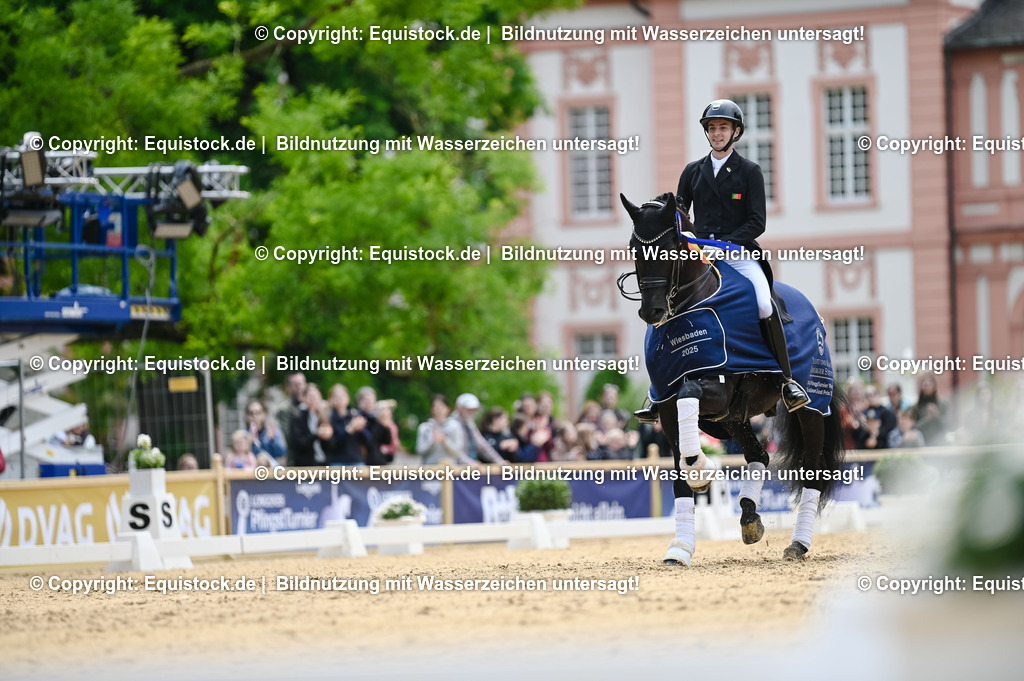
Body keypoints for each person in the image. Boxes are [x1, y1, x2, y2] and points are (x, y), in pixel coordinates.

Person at [635, 98, 809, 423]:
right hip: (700, 255)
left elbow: (758, 222)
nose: (717, 134)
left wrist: (726, 244)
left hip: (738, 254)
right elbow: (679, 213)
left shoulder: (749, 172)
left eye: (723, 128)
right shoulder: (692, 172)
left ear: (735, 132)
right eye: (712, 128)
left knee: (763, 301)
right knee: (668, 305)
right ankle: (657, 391)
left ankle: (786, 381)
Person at [415, 394, 465, 465]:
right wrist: (433, 441)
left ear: (448, 408)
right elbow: (419, 451)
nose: (438, 410)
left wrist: (445, 441)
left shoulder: (455, 426)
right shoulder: (424, 427)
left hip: (449, 470)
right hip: (428, 470)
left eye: (441, 406)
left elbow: (458, 452)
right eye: (435, 406)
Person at [245, 399, 286, 464]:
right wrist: (251, 443)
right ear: (247, 416)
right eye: (251, 413)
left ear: (264, 414)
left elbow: (282, 453)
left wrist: (273, 440)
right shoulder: (244, 435)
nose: (254, 416)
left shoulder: (273, 432)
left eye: (258, 413)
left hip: (272, 471)